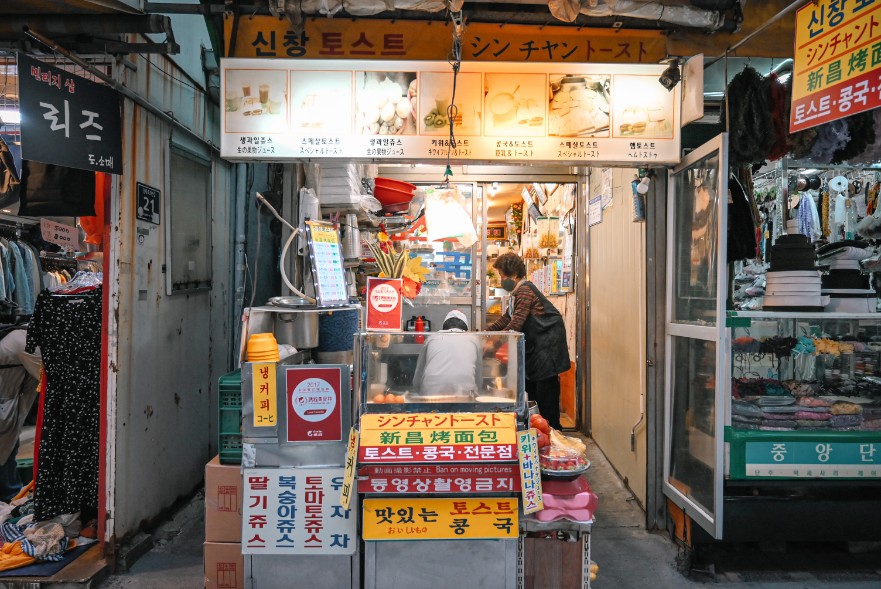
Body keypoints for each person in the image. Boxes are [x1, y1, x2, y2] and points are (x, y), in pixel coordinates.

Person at [487, 252, 570, 429]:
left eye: (502, 275)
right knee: (532, 391)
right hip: (537, 350)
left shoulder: (525, 290)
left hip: (547, 349)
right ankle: (538, 432)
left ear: (513, 275)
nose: (502, 280)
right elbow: (506, 319)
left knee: (545, 394)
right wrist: (483, 334)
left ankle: (553, 433)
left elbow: (516, 324)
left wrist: (493, 342)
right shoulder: (517, 293)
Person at [412, 310, 481, 396]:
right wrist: (479, 390)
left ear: (444, 326)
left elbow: (419, 370)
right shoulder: (474, 340)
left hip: (431, 396)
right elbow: (478, 375)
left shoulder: (432, 338)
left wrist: (417, 389)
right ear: (465, 328)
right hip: (465, 396)